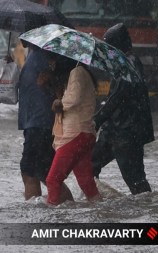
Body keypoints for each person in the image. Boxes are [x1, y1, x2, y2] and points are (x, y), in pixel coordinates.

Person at [92, 23, 154, 195]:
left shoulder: (131, 64)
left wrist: (97, 119)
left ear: (117, 45)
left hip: (127, 134)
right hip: (113, 131)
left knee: (136, 183)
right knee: (89, 166)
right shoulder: (123, 64)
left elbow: (118, 97)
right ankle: (94, 203)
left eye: (110, 46)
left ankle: (149, 212)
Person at [17, 41, 74, 202]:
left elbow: (63, 83)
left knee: (32, 170)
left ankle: (34, 214)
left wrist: (51, 79)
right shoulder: (33, 53)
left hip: (41, 121)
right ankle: (65, 207)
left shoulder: (49, 54)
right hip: (32, 121)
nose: (22, 37)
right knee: (43, 171)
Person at [44, 55, 101, 205]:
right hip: (84, 134)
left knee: (53, 180)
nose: (52, 63)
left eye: (54, 60)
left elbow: (73, 99)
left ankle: (52, 219)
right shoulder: (81, 73)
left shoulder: (77, 72)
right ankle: (100, 211)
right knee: (86, 182)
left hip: (75, 134)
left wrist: (59, 103)